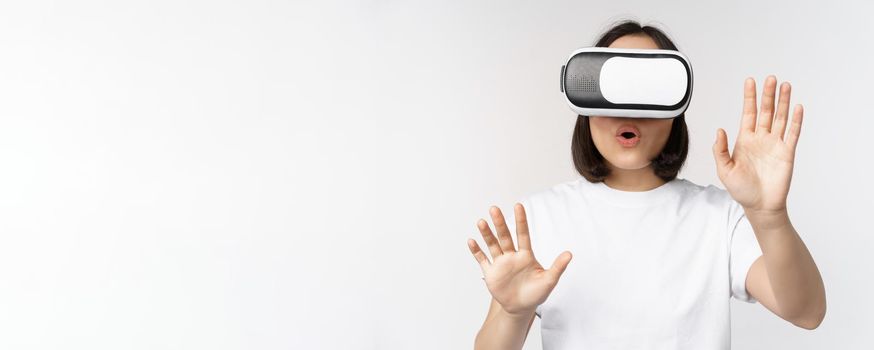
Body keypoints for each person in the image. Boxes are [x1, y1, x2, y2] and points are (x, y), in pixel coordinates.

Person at [465, 20, 827, 350]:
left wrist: (769, 216)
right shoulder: (539, 218)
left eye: (649, 90)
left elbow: (806, 312)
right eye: (612, 87)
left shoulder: (718, 217)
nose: (629, 110)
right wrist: (513, 313)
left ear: (674, 112)